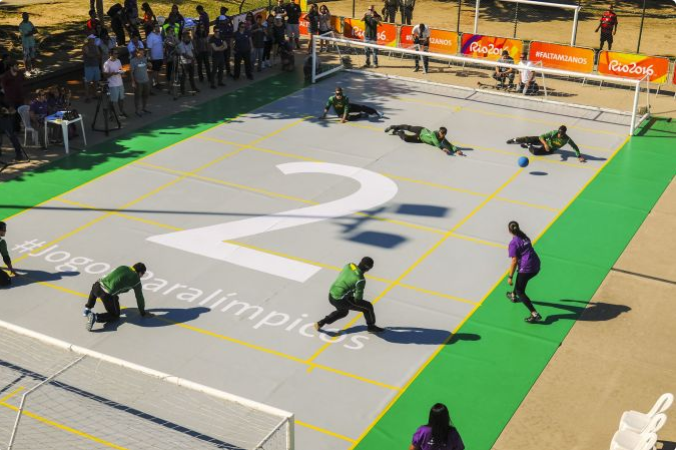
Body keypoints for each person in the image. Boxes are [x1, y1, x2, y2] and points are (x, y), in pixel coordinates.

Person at [315, 257, 384, 333]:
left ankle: (321, 322)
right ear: (368, 269)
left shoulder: (350, 265)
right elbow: (358, 299)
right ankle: (371, 326)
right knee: (367, 307)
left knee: (343, 312)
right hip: (341, 299)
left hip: (331, 294)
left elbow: (343, 276)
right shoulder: (360, 279)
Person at [83, 263, 153, 331]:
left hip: (97, 285)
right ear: (140, 273)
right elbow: (139, 297)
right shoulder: (136, 280)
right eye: (143, 274)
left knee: (99, 291)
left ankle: (87, 309)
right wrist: (142, 312)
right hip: (106, 294)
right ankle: (96, 317)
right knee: (115, 315)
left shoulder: (123, 267)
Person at [505, 221, 542, 323]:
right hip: (536, 265)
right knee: (520, 282)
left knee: (520, 291)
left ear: (509, 230)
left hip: (527, 269)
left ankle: (535, 314)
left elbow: (514, 261)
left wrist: (510, 277)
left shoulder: (513, 243)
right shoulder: (525, 236)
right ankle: (513, 295)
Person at [506, 125, 586, 163]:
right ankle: (515, 140)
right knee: (529, 138)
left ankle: (528, 145)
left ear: (564, 133)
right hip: (545, 142)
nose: (559, 134)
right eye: (559, 132)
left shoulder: (567, 139)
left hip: (550, 149)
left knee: (535, 152)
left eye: (561, 134)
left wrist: (579, 156)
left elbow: (575, 147)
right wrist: (545, 144)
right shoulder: (553, 133)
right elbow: (542, 136)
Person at [384, 124, 463, 155]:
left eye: (442, 134)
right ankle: (393, 127)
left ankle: (398, 132)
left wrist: (456, 150)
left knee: (406, 138)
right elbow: (436, 143)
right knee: (408, 128)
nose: (441, 135)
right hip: (421, 130)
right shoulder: (434, 134)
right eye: (440, 133)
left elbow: (450, 145)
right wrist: (443, 149)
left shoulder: (443, 138)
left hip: (421, 139)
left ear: (444, 134)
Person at [103, 49, 128, 118]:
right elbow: (105, 75)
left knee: (121, 99)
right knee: (112, 100)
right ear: (111, 54)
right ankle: (110, 114)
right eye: (115, 53)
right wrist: (113, 73)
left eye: (117, 53)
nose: (117, 54)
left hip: (120, 83)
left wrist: (122, 72)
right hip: (112, 85)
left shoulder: (118, 61)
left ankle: (121, 112)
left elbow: (120, 69)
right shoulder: (107, 63)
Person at [0, 93, 25, 162]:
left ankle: (19, 154)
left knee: (12, 137)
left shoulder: (2, 97)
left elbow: (11, 110)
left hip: (4, 120)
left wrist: (6, 111)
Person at [130, 48, 151, 116]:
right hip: (138, 81)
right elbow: (131, 72)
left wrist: (149, 65)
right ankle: (137, 110)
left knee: (146, 95)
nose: (142, 54)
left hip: (146, 80)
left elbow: (147, 68)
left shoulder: (144, 59)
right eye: (140, 53)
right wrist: (133, 82)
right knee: (137, 96)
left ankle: (144, 108)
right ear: (136, 53)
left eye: (143, 53)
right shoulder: (133, 61)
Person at [83, 35, 102, 102]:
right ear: (89, 39)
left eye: (94, 39)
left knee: (96, 81)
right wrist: (96, 55)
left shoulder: (95, 46)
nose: (94, 40)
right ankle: (87, 97)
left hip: (96, 65)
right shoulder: (85, 46)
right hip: (88, 66)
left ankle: (95, 95)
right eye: (92, 39)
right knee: (87, 82)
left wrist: (96, 55)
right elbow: (89, 55)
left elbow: (99, 55)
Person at [146, 24, 164, 89]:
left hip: (160, 56)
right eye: (157, 27)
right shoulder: (150, 36)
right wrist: (150, 57)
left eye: (159, 26)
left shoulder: (159, 35)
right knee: (155, 70)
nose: (159, 28)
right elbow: (149, 48)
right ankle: (156, 83)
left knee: (158, 70)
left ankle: (157, 82)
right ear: (153, 28)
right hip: (154, 57)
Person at [0, 222, 17, 286]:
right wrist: (11, 269)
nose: (5, 231)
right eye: (4, 229)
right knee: (6, 280)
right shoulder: (1, 242)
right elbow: (6, 258)